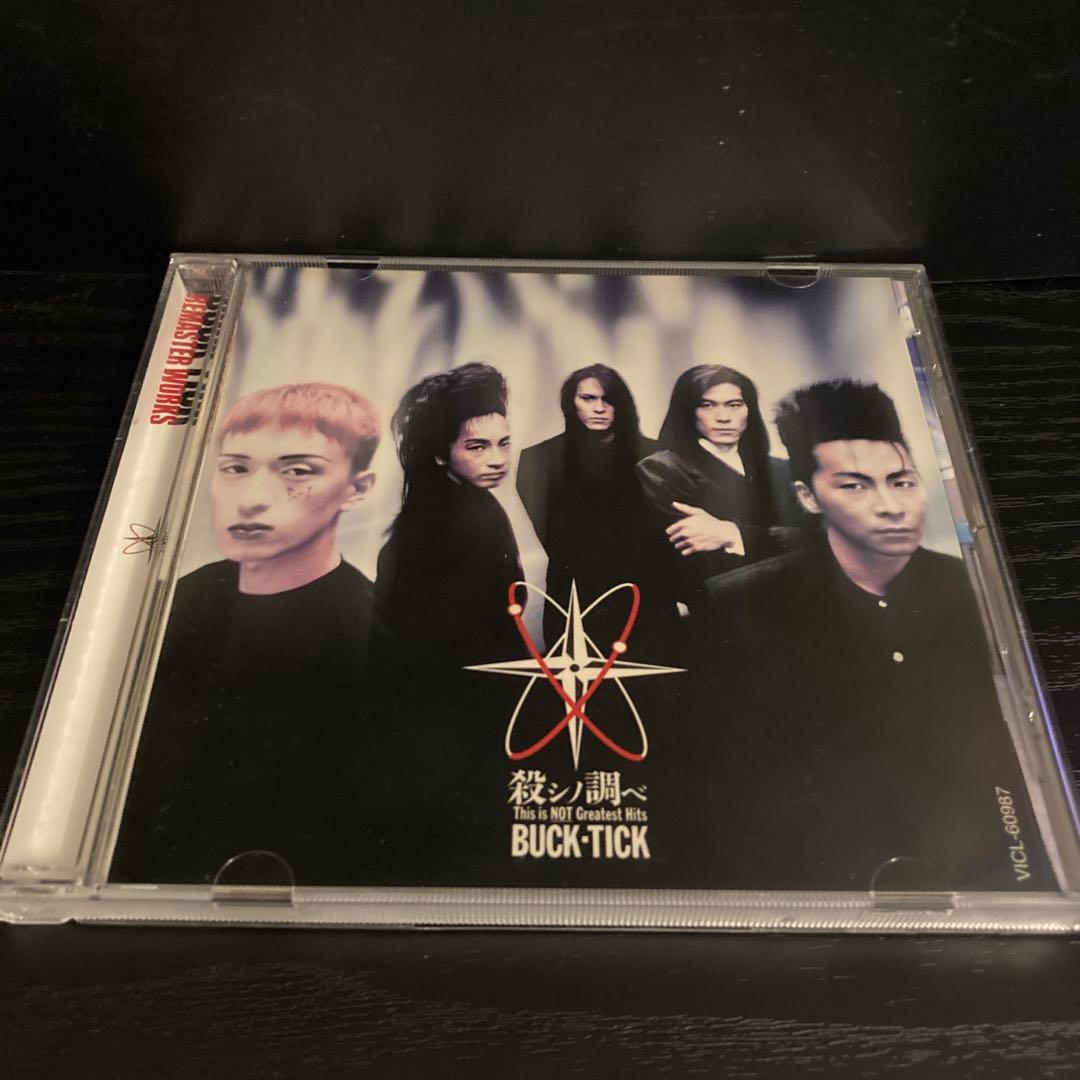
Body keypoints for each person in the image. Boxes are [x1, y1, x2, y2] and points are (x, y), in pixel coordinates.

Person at [684, 378, 1054, 891]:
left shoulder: (979, 593)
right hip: (801, 880)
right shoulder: (739, 603)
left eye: (902, 482)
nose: (890, 506)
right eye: (855, 486)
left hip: (980, 874)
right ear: (808, 497)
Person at [111, 382, 382, 885]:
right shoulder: (179, 598)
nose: (252, 499)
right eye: (235, 468)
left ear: (356, 489)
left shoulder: (372, 632)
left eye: (298, 471)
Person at [516, 364, 676, 655]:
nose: (599, 408)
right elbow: (554, 538)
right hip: (576, 592)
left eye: (608, 399)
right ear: (571, 402)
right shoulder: (539, 460)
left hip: (646, 595)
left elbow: (664, 537)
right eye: (588, 398)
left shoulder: (656, 455)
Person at [373, 361, 523, 667]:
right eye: (477, 447)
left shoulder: (474, 505)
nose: (497, 459)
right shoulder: (446, 520)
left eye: (504, 443)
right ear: (441, 454)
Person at [636, 364, 800, 611]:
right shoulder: (661, 470)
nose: (723, 417)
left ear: (749, 409)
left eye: (734, 404)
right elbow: (697, 563)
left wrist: (730, 533)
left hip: (794, 605)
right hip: (723, 611)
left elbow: (818, 541)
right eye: (707, 405)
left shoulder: (782, 469)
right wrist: (782, 540)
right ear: (688, 411)